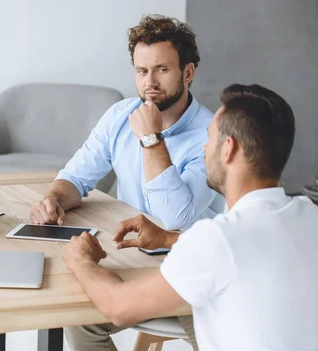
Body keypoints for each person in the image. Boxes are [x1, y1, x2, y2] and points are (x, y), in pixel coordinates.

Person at [64, 84, 318, 350]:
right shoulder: (309, 215)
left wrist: (81, 261)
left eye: (210, 139)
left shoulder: (218, 239)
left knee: (84, 315)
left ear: (228, 149)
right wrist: (169, 238)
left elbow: (118, 306)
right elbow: (250, 246)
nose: (205, 149)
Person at [31, 15, 224, 349]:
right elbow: (76, 176)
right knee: (80, 320)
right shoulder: (120, 115)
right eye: (141, 70)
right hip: (133, 259)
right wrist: (55, 198)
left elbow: (174, 217)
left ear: (188, 73)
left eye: (162, 70)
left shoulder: (211, 135)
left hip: (194, 270)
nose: (149, 81)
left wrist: (151, 139)